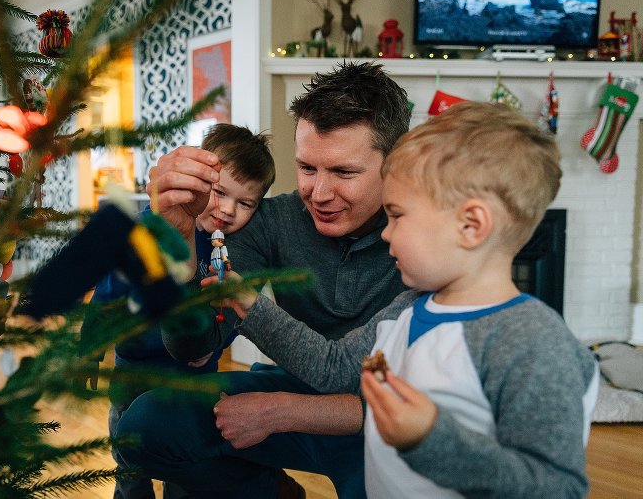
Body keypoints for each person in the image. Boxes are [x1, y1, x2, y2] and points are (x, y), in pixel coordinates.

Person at [219, 102, 600, 498]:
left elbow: (558, 488)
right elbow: (334, 368)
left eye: (398, 216)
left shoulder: (534, 344)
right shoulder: (408, 309)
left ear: (471, 225)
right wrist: (249, 305)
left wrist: (429, 439)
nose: (385, 233)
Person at [114, 61, 411, 498]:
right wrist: (180, 243)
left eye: (344, 173)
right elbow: (195, 346)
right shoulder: (271, 221)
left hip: (389, 414)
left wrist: (283, 411)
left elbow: (434, 404)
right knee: (145, 425)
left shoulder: (426, 234)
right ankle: (272, 490)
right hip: (298, 385)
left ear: (396, 163)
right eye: (307, 168)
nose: (319, 194)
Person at [82, 123, 275, 499]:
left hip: (194, 378)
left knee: (184, 464)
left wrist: (215, 342)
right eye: (220, 193)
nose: (228, 210)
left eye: (246, 203)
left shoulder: (235, 251)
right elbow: (109, 290)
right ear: (197, 182)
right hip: (135, 371)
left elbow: (234, 313)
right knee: (131, 467)